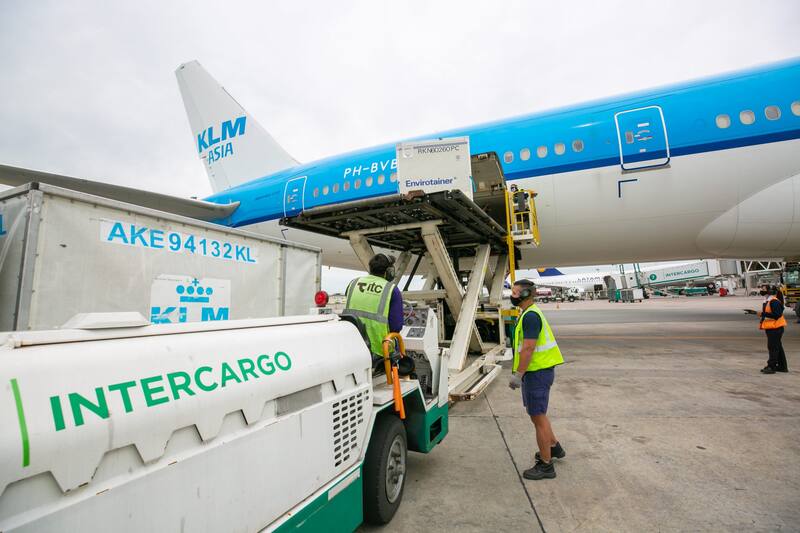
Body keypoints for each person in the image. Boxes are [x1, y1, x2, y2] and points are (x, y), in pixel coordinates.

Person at [508, 279, 565, 480]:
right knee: (538, 415)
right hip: (539, 371)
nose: (512, 296)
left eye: (515, 293)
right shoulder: (528, 313)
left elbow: (529, 348)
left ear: (525, 295)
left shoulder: (530, 316)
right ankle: (554, 447)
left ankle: (546, 465)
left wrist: (518, 375)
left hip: (536, 373)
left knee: (538, 417)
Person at [344, 253, 404, 364]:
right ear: (389, 272)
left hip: (352, 346)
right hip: (379, 351)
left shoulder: (353, 283)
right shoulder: (391, 290)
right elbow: (396, 326)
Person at [758, 284, 788, 374]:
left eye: (763, 289)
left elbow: (776, 315)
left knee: (773, 347)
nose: (761, 290)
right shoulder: (767, 301)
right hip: (772, 327)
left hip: (775, 328)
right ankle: (782, 367)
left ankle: (771, 366)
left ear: (769, 291)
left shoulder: (774, 301)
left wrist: (761, 314)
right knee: (777, 347)